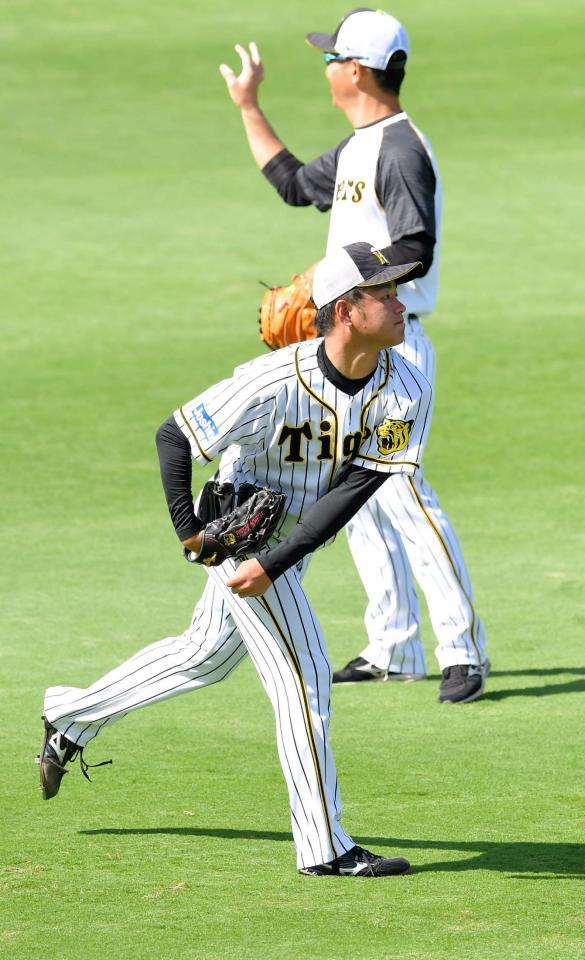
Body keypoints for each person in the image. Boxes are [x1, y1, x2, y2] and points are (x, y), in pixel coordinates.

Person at [38, 242, 433, 878]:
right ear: (344, 311)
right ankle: (324, 848)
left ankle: (69, 715)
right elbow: (175, 435)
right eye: (383, 293)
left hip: (283, 548)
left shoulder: (405, 388)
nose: (399, 302)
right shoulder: (271, 382)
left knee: (205, 657)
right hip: (238, 532)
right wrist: (191, 534)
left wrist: (280, 560)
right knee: (304, 680)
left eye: (397, 290)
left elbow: (357, 486)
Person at [219, 8, 489, 704]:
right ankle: (393, 645)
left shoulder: (399, 149)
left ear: (358, 70)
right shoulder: (359, 145)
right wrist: (249, 107)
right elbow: (291, 184)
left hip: (396, 348)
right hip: (351, 350)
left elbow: (416, 245)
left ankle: (462, 649)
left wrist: (342, 278)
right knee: (357, 497)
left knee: (399, 489)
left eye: (330, 58)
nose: (327, 68)